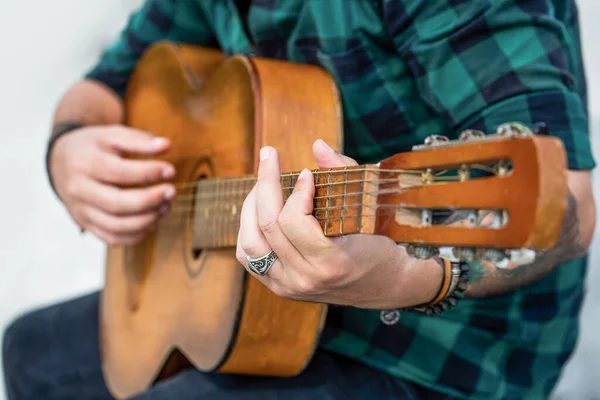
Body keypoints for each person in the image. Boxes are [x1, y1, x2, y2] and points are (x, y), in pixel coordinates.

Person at [2, 0, 597, 399]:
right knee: (28, 351)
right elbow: (105, 85)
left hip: (440, 353)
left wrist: (402, 281)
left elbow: (567, 206)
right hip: (252, 309)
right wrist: (68, 147)